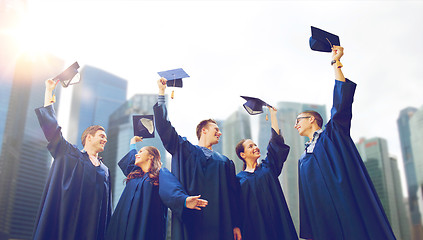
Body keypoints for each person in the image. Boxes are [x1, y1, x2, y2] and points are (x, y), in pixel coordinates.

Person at [296, 46, 396, 240]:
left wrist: (336, 63)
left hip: (346, 206)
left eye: (298, 120)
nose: (295, 125)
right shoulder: (303, 159)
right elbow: (305, 197)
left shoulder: (333, 135)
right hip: (324, 219)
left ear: (311, 119)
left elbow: (340, 105)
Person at [153, 78, 242, 240]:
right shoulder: (184, 148)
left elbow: (233, 196)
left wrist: (236, 224)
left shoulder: (225, 163)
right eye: (216, 129)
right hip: (192, 220)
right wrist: (161, 93)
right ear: (204, 130)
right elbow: (164, 127)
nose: (219, 133)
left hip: (220, 224)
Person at [33, 79, 112, 240]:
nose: (105, 140)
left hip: (92, 231)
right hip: (66, 224)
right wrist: (49, 92)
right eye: (102, 136)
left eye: (106, 138)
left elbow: (106, 209)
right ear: (89, 138)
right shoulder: (70, 153)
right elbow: (52, 130)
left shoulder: (105, 171)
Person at [106, 136, 208, 240]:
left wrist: (184, 200)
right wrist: (132, 143)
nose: (137, 154)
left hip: (144, 226)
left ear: (150, 156)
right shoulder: (134, 174)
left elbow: (171, 190)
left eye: (141, 151)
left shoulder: (159, 175)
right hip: (121, 226)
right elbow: (132, 157)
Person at [235, 106, 298, 240]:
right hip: (256, 229)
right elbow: (236, 209)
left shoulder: (268, 167)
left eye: (255, 145)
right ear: (242, 154)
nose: (255, 147)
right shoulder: (238, 180)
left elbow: (275, 143)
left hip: (278, 222)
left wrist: (273, 115)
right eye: (250, 146)